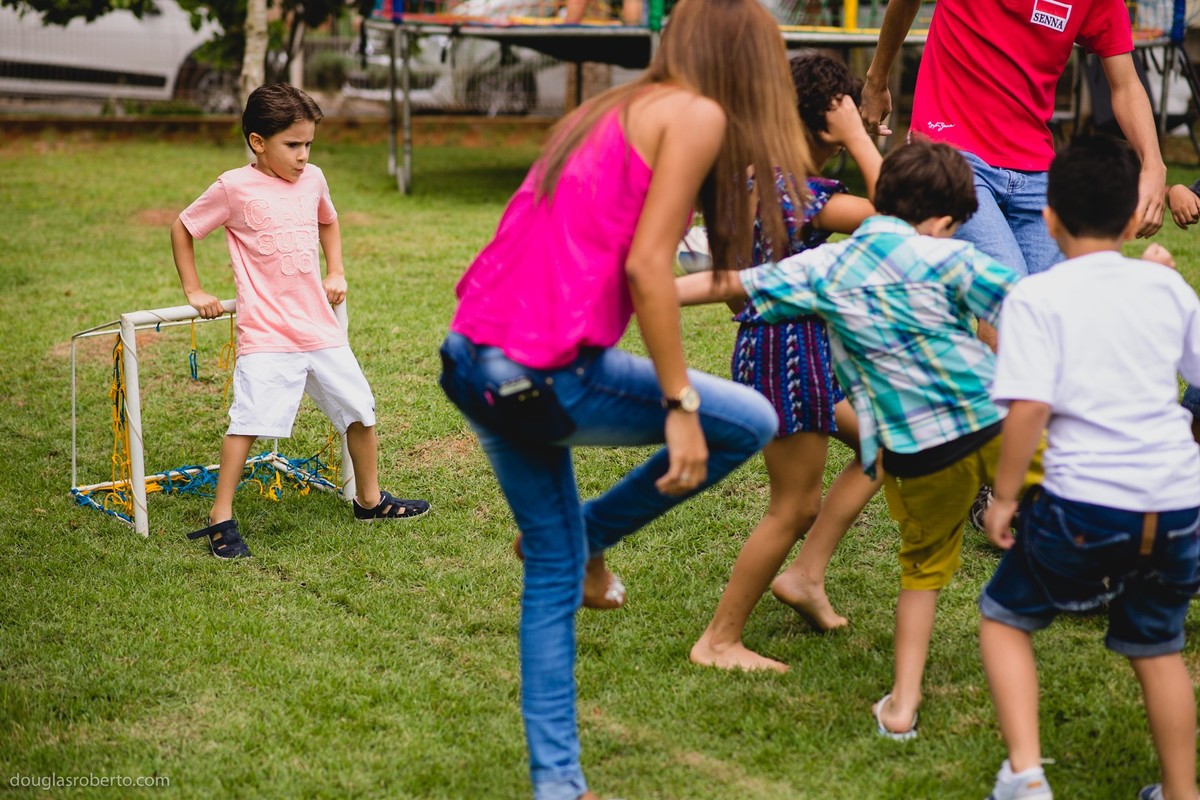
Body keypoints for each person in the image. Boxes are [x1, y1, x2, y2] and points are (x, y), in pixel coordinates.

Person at [437, 1, 811, 797]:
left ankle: (559, 785)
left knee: (553, 571)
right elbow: (650, 268)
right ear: (748, 57)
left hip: (470, 358)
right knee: (749, 419)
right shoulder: (699, 113)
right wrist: (679, 404)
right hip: (542, 370)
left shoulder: (606, 108)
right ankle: (588, 538)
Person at [677, 140, 1042, 740]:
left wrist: (645, 292)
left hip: (915, 446)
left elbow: (730, 283)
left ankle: (896, 695)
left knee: (913, 553)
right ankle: (1133, 560)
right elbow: (1029, 309)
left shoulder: (828, 262)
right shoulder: (946, 256)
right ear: (948, 221)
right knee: (1083, 491)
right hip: (981, 419)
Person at [979, 136, 1200, 800]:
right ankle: (1183, 793)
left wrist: (1004, 497)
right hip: (1178, 502)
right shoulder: (1168, 288)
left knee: (1004, 617)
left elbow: (1028, 408)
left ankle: (1026, 774)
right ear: (1135, 217)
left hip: (1085, 502)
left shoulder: (1037, 298)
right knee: (1159, 649)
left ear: (1048, 218)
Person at [171, 83, 430, 559]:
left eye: (309, 144)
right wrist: (194, 290)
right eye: (293, 145)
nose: (303, 155)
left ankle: (369, 501)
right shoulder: (232, 187)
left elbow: (329, 221)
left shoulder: (314, 180)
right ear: (258, 142)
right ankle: (220, 518)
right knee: (248, 420)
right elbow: (184, 227)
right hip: (267, 333)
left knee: (360, 408)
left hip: (318, 328)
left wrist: (336, 269)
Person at [686, 52, 884, 673]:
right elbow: (906, 220)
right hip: (787, 354)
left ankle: (806, 576)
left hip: (789, 351)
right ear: (828, 124)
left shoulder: (750, 176)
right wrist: (858, 141)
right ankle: (719, 640)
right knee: (793, 505)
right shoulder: (799, 194)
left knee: (888, 444)